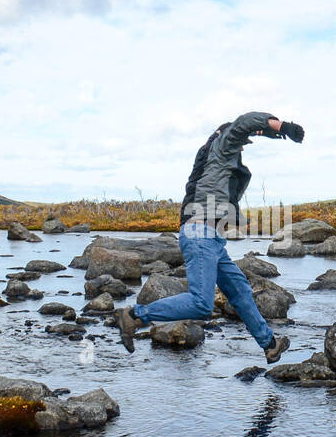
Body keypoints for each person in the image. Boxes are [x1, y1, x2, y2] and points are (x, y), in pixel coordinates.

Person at [115, 111, 304, 363]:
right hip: (200, 235)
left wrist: (270, 132)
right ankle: (135, 316)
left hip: (211, 240)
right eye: (241, 141)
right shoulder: (222, 146)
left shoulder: (212, 159)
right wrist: (283, 126)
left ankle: (269, 344)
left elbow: (251, 129)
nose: (242, 146)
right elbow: (244, 123)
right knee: (201, 304)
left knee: (239, 291)